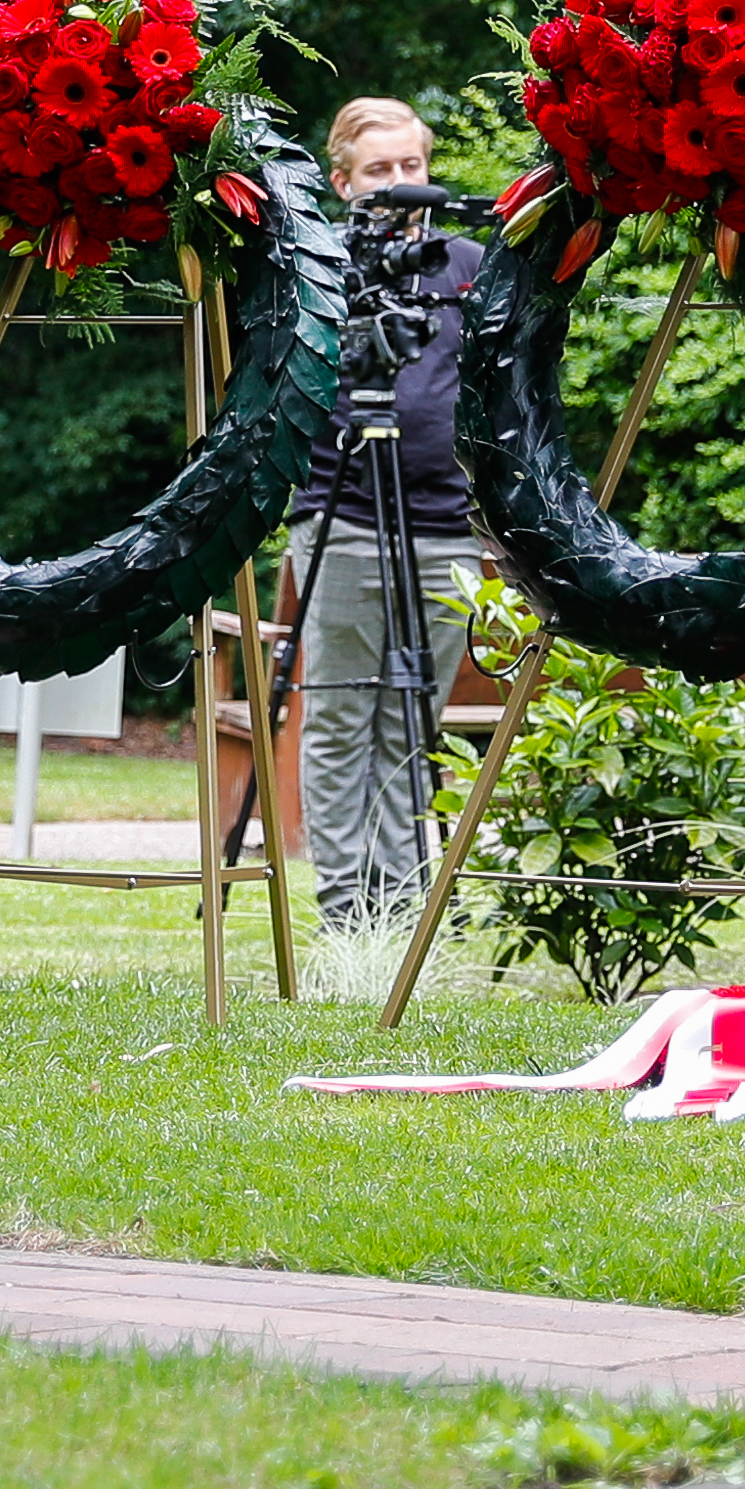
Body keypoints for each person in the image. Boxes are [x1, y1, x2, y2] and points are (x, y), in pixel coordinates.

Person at [281, 97, 490, 933]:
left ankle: (401, 913)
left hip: (444, 526)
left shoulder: (467, 263)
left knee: (414, 722)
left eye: (412, 167)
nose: (401, 185)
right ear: (343, 182)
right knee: (339, 716)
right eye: (380, 172)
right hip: (342, 516)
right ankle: (345, 910)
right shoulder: (320, 265)